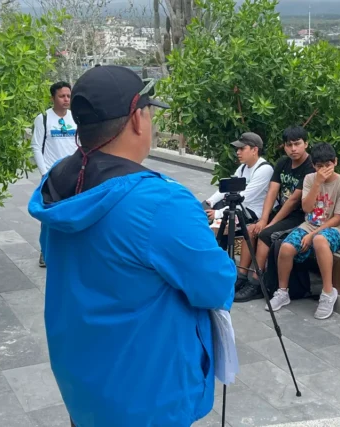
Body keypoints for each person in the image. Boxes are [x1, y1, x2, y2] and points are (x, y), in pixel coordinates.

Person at [27, 65, 235, 426]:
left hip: (83, 380)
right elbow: (215, 285)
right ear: (137, 119)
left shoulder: (56, 184)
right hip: (148, 394)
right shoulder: (162, 202)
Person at [267, 143, 340, 320]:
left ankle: (328, 292)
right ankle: (282, 292)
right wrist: (318, 183)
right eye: (319, 166)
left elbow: (338, 218)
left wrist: (313, 235)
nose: (323, 169)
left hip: (335, 229)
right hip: (309, 225)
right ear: (314, 165)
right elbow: (307, 208)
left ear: (335, 162)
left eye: (327, 165)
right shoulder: (309, 179)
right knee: (286, 247)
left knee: (320, 240)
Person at [236, 126, 315, 302]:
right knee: (250, 229)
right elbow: (272, 192)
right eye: (289, 145)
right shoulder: (282, 163)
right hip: (280, 211)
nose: (293, 149)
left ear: (306, 144)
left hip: (299, 216)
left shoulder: (310, 167)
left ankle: (257, 282)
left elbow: (294, 200)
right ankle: (241, 277)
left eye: (297, 144)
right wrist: (264, 219)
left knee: (265, 234)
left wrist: (270, 224)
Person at [203, 132, 274, 291]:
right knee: (210, 222)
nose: (238, 152)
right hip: (240, 209)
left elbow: (244, 197)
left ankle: (235, 275)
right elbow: (228, 188)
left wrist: (218, 213)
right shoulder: (243, 168)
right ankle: (218, 269)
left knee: (215, 228)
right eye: (237, 149)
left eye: (242, 148)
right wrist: (210, 202)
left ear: (255, 150)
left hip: (253, 214)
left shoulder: (264, 169)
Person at [32, 81, 77, 268]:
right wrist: (44, 173)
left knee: (73, 212)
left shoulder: (75, 118)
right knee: (49, 215)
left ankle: (68, 251)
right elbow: (36, 146)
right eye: (61, 96)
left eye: (68, 96)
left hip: (73, 173)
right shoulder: (43, 119)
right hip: (52, 175)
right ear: (53, 98)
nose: (66, 99)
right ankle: (45, 251)